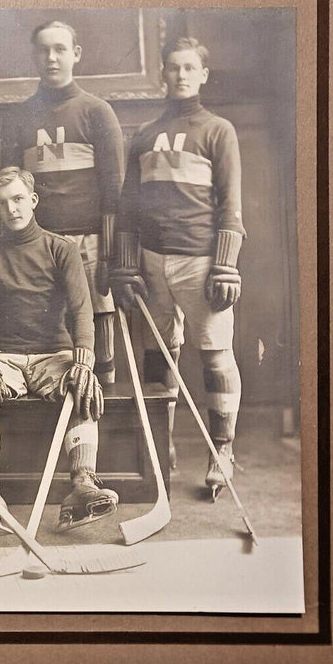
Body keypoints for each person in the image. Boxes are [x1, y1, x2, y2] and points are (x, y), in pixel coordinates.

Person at [113, 36, 245, 499]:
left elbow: (230, 204)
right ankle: (160, 447)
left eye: (190, 67)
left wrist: (225, 265)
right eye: (173, 67)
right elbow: (128, 207)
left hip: (200, 260)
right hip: (152, 261)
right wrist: (126, 266)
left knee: (214, 351)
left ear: (203, 74)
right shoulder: (144, 135)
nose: (182, 75)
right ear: (162, 75)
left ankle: (222, 450)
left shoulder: (218, 130)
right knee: (158, 353)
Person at [0, 167, 117, 531]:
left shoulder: (61, 248)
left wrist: (84, 357)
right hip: (4, 356)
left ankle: (82, 481)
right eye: (2, 203)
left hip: (53, 354)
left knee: (82, 385)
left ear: (32, 200)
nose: (11, 209)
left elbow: (82, 309)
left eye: (18, 199)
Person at [2, 20, 125, 387]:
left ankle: (101, 394)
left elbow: (114, 189)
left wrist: (108, 253)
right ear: (34, 56)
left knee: (97, 315)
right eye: (44, 50)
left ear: (76, 54)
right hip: (36, 243)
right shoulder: (18, 117)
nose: (51, 58)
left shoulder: (97, 111)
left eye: (59, 49)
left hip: (88, 240)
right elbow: (6, 187)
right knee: (45, 321)